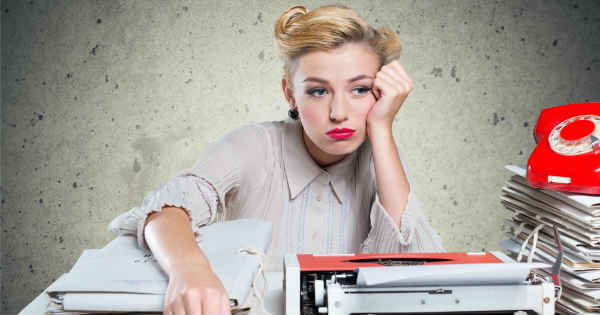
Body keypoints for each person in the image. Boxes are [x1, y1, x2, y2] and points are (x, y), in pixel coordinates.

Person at [107, 4, 444, 315]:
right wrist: (190, 270)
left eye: (359, 89)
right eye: (318, 91)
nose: (339, 113)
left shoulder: (380, 159)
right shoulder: (253, 145)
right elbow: (166, 210)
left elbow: (410, 270)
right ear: (290, 94)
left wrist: (382, 128)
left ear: (380, 92)